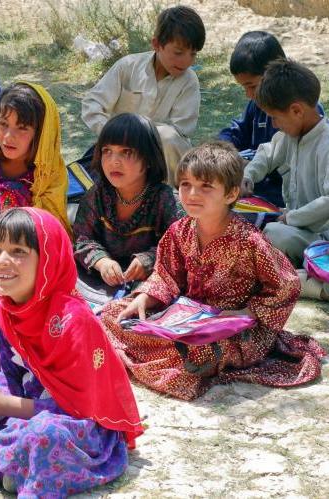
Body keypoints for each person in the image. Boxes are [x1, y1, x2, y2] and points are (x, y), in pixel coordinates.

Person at [0, 207, 143, 497]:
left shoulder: (73, 320)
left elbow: (81, 408)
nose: (2, 261)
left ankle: (3, 457)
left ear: (48, 261)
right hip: (21, 407)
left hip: (74, 422)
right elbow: (10, 377)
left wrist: (4, 406)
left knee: (44, 435)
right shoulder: (3, 310)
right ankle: (8, 456)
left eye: (19, 251)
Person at [101, 142, 325, 400]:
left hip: (235, 329)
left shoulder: (250, 241)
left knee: (202, 350)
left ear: (230, 194)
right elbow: (166, 275)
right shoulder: (179, 231)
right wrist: (143, 298)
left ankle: (170, 356)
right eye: (185, 184)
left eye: (206, 186)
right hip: (187, 318)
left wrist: (244, 313)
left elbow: (286, 286)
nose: (192, 194)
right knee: (112, 313)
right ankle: (168, 350)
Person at [81, 5, 205, 181]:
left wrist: (139, 139)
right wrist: (113, 134)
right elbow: (92, 103)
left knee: (168, 137)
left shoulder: (189, 81)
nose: (186, 61)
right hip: (121, 148)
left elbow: (180, 131)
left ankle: (168, 198)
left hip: (161, 157)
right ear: (156, 44)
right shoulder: (128, 67)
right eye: (178, 53)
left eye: (193, 54)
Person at [240, 58, 329, 302]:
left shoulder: (325, 143)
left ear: (297, 110)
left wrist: (292, 217)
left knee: (274, 232)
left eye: (275, 117)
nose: (273, 124)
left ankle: (302, 281)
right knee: (273, 232)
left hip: (323, 238)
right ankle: (301, 275)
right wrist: (249, 175)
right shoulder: (289, 136)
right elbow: (267, 154)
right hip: (301, 233)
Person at [0, 82, 70, 261]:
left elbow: (50, 230)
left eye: (22, 128)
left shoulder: (48, 176)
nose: (9, 136)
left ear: (42, 134)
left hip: (31, 261)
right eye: (3, 124)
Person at [73, 113, 182, 299]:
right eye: (107, 151)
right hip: (100, 284)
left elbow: (181, 245)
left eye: (126, 152)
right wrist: (102, 262)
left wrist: (148, 260)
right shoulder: (97, 194)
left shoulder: (166, 200)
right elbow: (82, 238)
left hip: (151, 287)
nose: (114, 161)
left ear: (148, 159)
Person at [218, 31, 323, 207]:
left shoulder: (306, 118)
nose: (248, 95)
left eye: (252, 86)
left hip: (281, 196)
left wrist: (247, 162)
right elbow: (252, 142)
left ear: (271, 76)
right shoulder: (258, 105)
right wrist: (226, 153)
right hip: (257, 186)